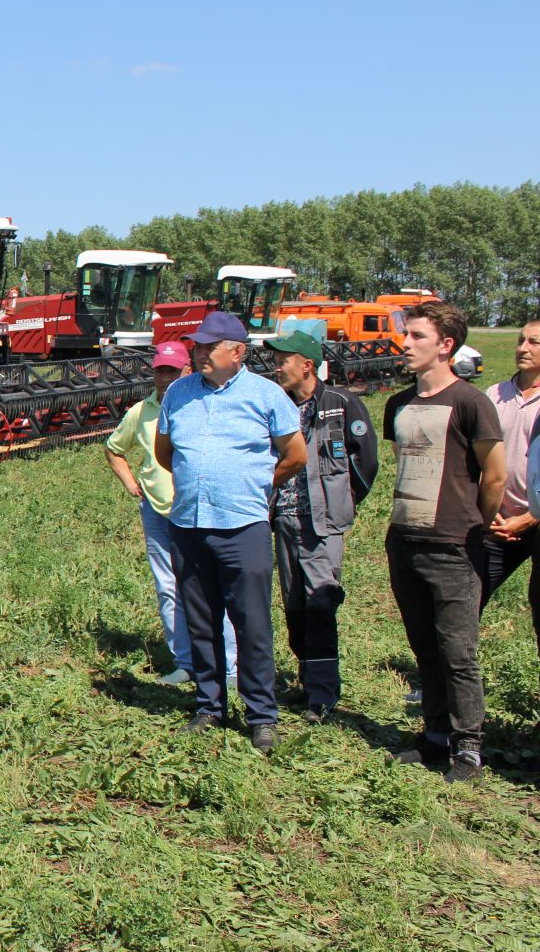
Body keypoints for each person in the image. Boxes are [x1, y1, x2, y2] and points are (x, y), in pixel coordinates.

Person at [154, 311, 307, 752]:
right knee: (200, 621)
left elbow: (294, 455)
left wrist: (255, 483)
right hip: (188, 524)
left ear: (237, 352)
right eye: (196, 346)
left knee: (251, 623)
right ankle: (209, 706)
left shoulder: (266, 395)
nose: (198, 352)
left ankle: (261, 715)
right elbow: (166, 453)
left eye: (208, 346)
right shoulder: (179, 393)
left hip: (242, 526)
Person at [385, 300, 506, 783]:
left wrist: (474, 525)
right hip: (405, 541)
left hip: (455, 546)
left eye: (417, 336)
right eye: (407, 335)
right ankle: (435, 736)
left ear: (446, 346)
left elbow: (494, 477)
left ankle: (468, 749)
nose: (406, 343)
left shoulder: (471, 403)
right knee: (425, 647)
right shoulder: (397, 404)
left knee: (458, 652)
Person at [104, 339, 237, 687]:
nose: (166, 378)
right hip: (158, 512)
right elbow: (114, 449)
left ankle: (231, 667)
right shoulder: (141, 411)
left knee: (214, 585)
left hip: (199, 511)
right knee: (168, 587)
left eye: (173, 371)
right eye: (161, 371)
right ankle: (186, 662)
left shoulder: (201, 404)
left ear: (187, 371)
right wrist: (132, 484)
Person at [265, 331, 379, 721]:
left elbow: (366, 463)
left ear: (306, 365)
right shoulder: (276, 406)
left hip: (322, 524)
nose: (276, 367)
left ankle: (323, 695)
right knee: (294, 605)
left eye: (283, 361)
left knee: (319, 603)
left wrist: (341, 505)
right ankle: (307, 680)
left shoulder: (341, 404)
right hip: (284, 520)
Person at [478, 320, 540, 652]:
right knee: (468, 599)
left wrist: (531, 517)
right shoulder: (495, 395)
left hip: (535, 519)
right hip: (497, 521)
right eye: (520, 340)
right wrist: (488, 513)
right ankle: (444, 683)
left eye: (533, 342)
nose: (522, 348)